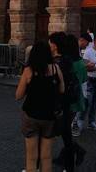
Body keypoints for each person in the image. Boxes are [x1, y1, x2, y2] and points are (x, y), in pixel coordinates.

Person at [16, 41, 64, 172]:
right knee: (46, 156)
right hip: (49, 115)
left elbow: (18, 95)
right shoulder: (55, 68)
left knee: (31, 157)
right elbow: (62, 89)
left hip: (31, 114)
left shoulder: (29, 70)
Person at [50, 32, 87, 171]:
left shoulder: (65, 62)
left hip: (67, 102)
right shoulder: (79, 63)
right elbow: (84, 79)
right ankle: (67, 158)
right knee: (64, 131)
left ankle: (72, 155)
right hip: (76, 100)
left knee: (61, 131)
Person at [67, 34, 88, 138]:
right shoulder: (80, 62)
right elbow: (84, 78)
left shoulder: (62, 61)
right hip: (76, 93)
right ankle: (74, 124)